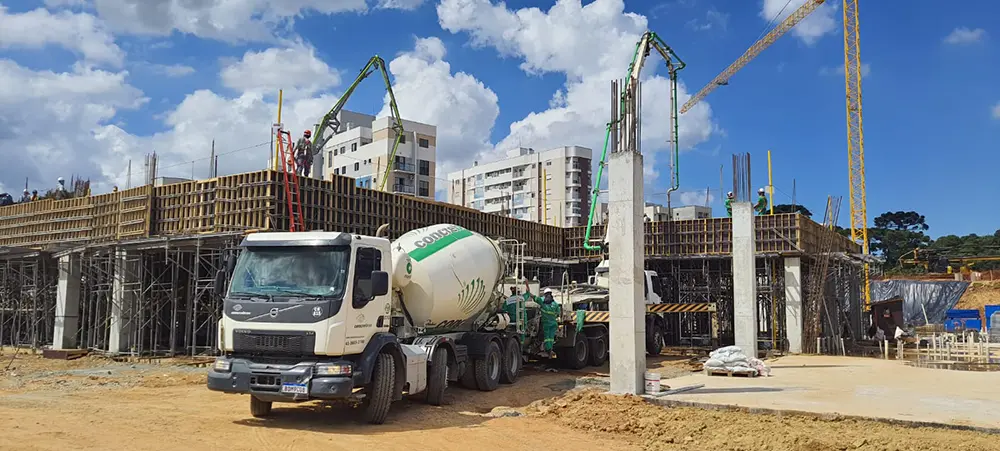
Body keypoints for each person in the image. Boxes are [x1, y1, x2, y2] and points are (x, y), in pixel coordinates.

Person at [525, 283, 559, 358]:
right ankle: (550, 349)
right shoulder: (555, 304)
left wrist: (528, 291)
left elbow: (535, 298)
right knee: (551, 338)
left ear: (545, 294)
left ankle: (548, 350)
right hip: (553, 323)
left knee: (547, 338)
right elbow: (558, 313)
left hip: (546, 323)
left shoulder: (542, 301)